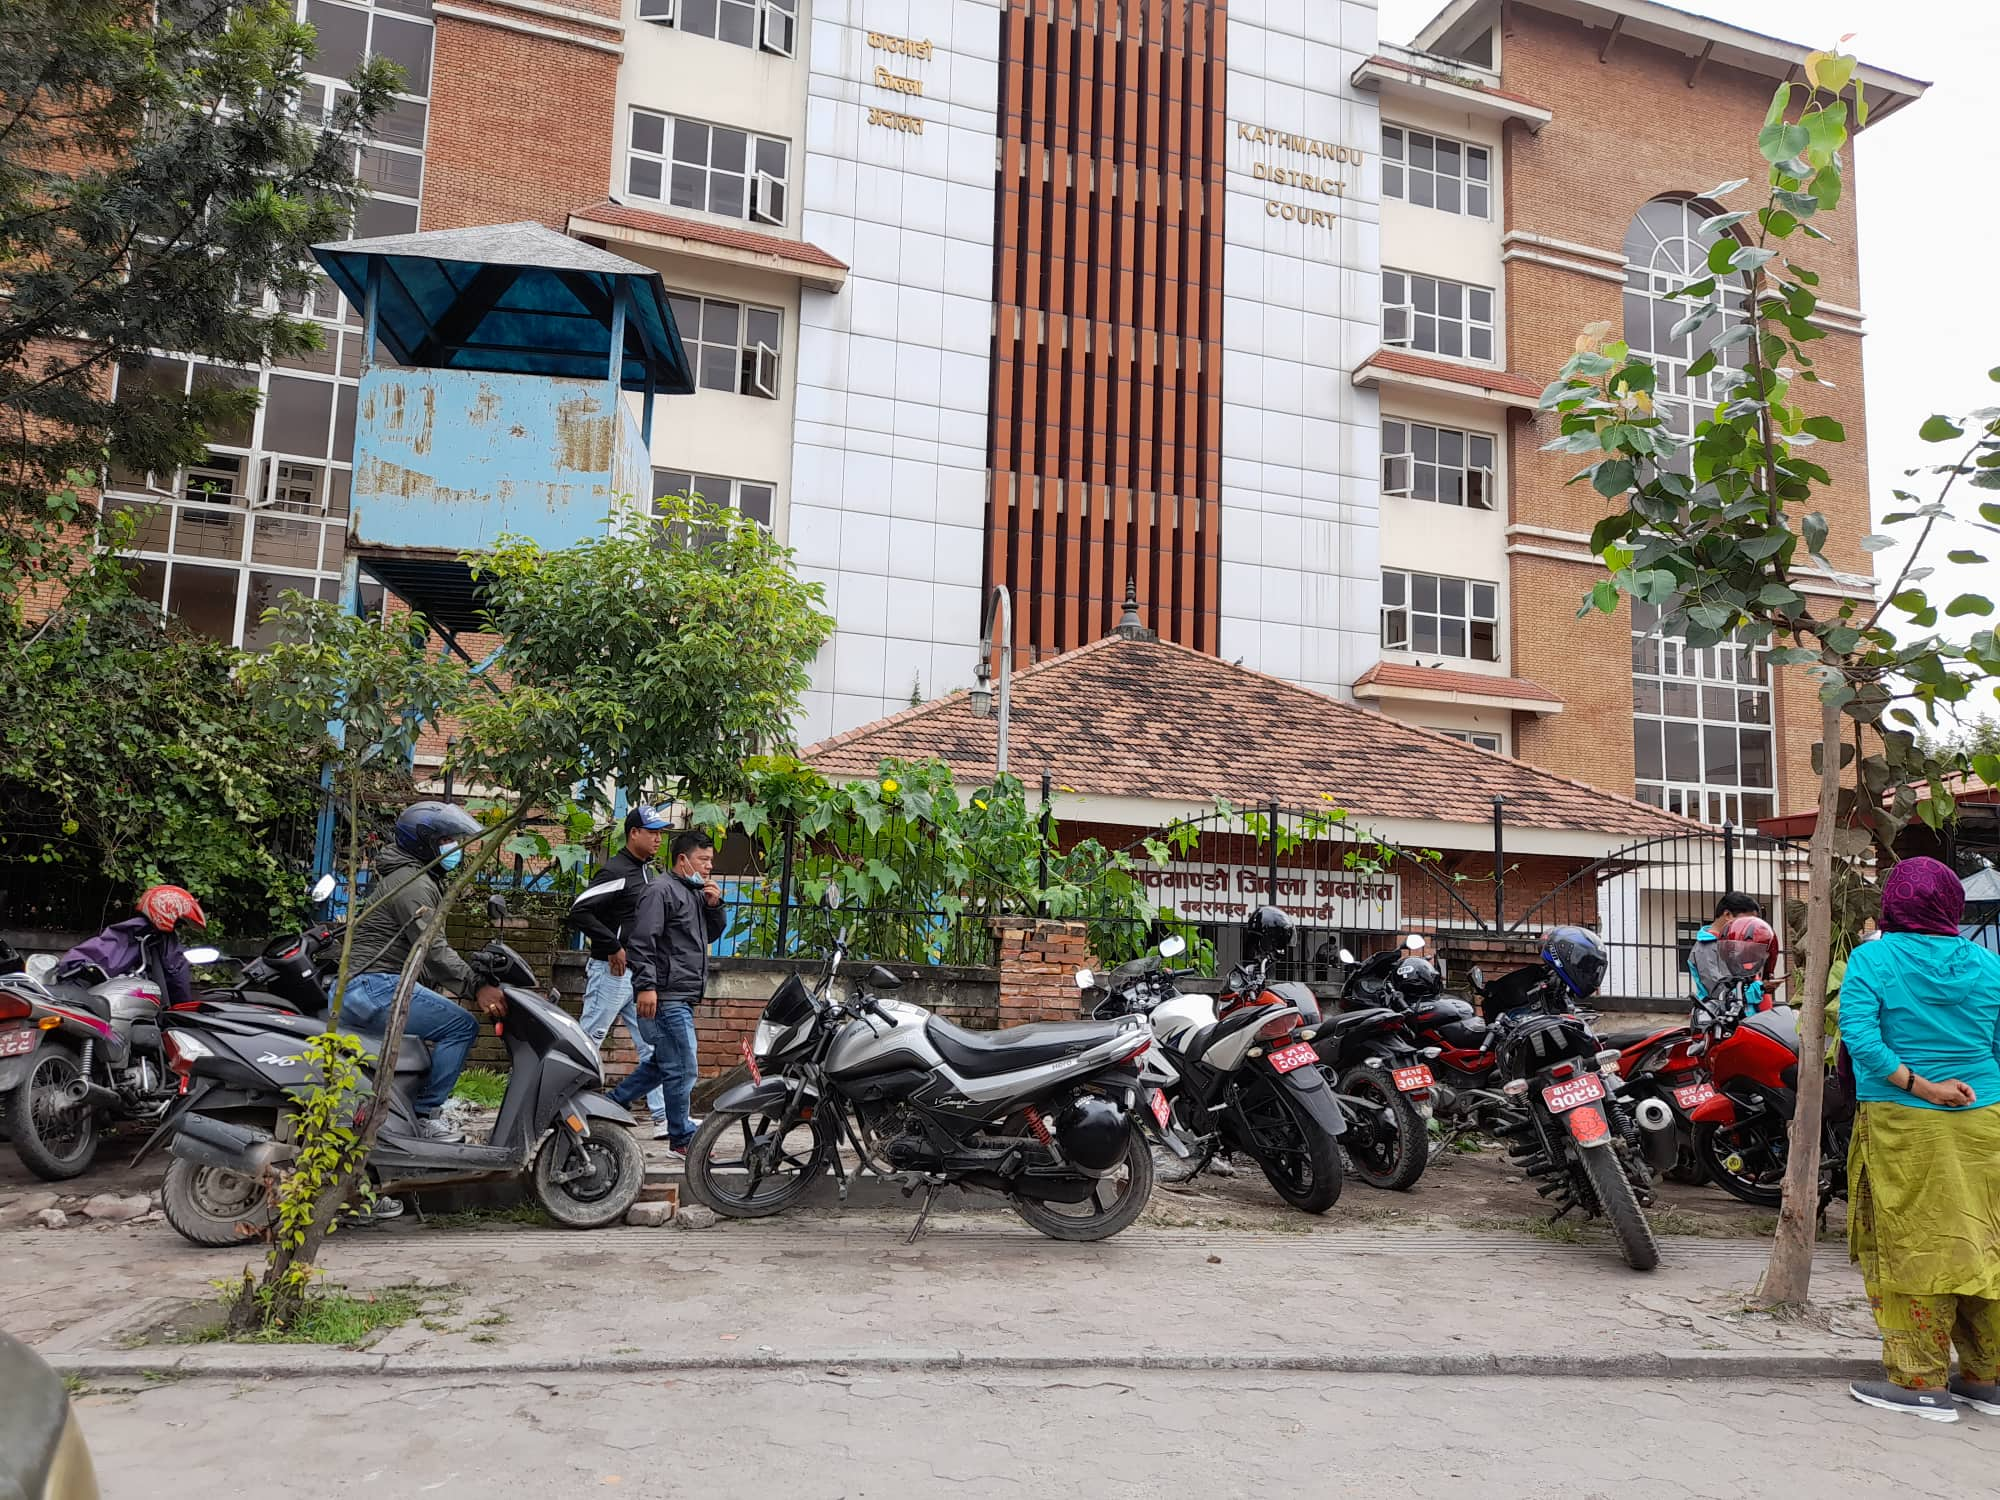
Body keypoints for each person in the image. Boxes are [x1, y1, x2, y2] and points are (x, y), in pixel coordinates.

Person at [1839, 856, 2000, 1423]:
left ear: (1894, 904)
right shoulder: (1988, 964)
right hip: (1985, 1122)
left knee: (1912, 1245)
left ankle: (1920, 1383)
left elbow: (1858, 1037)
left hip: (1904, 1123)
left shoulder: (1874, 958)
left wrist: (1923, 1087)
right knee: (1984, 1244)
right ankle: (1987, 1380)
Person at [342, 801, 506, 1143]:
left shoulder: (412, 876)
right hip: (375, 986)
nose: (454, 848)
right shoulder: (413, 884)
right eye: (446, 840)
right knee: (461, 1026)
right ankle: (426, 1115)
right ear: (424, 843)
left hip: (371, 985)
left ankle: (404, 1114)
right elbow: (432, 949)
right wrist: (475, 985)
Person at [612, 829, 726, 1156]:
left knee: (664, 1065)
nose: (708, 867)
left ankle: (609, 1105)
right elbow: (641, 942)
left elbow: (712, 934)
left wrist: (714, 904)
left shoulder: (693, 892)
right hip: (665, 995)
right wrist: (646, 986)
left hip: (680, 994)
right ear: (683, 859)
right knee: (684, 1066)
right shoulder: (660, 891)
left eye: (710, 861)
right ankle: (682, 1137)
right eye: (703, 860)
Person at [567, 805, 669, 1136]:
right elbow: (579, 911)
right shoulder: (616, 871)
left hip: (637, 975)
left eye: (660, 833)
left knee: (653, 1046)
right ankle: (564, 1107)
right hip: (611, 973)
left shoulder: (644, 871)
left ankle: (663, 1118)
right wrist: (612, 945)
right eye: (651, 832)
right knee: (588, 1040)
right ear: (633, 833)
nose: (657, 838)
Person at [57, 885, 207, 1006]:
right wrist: (185, 1010)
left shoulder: (129, 929)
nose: (180, 927)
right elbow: (177, 981)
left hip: (74, 983)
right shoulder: (158, 937)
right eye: (180, 923)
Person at [1689, 892, 1776, 1011]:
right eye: (1747, 920)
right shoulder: (1706, 947)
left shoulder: (1734, 943)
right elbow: (1719, 991)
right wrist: (1760, 988)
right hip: (1723, 1018)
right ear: (1727, 914)